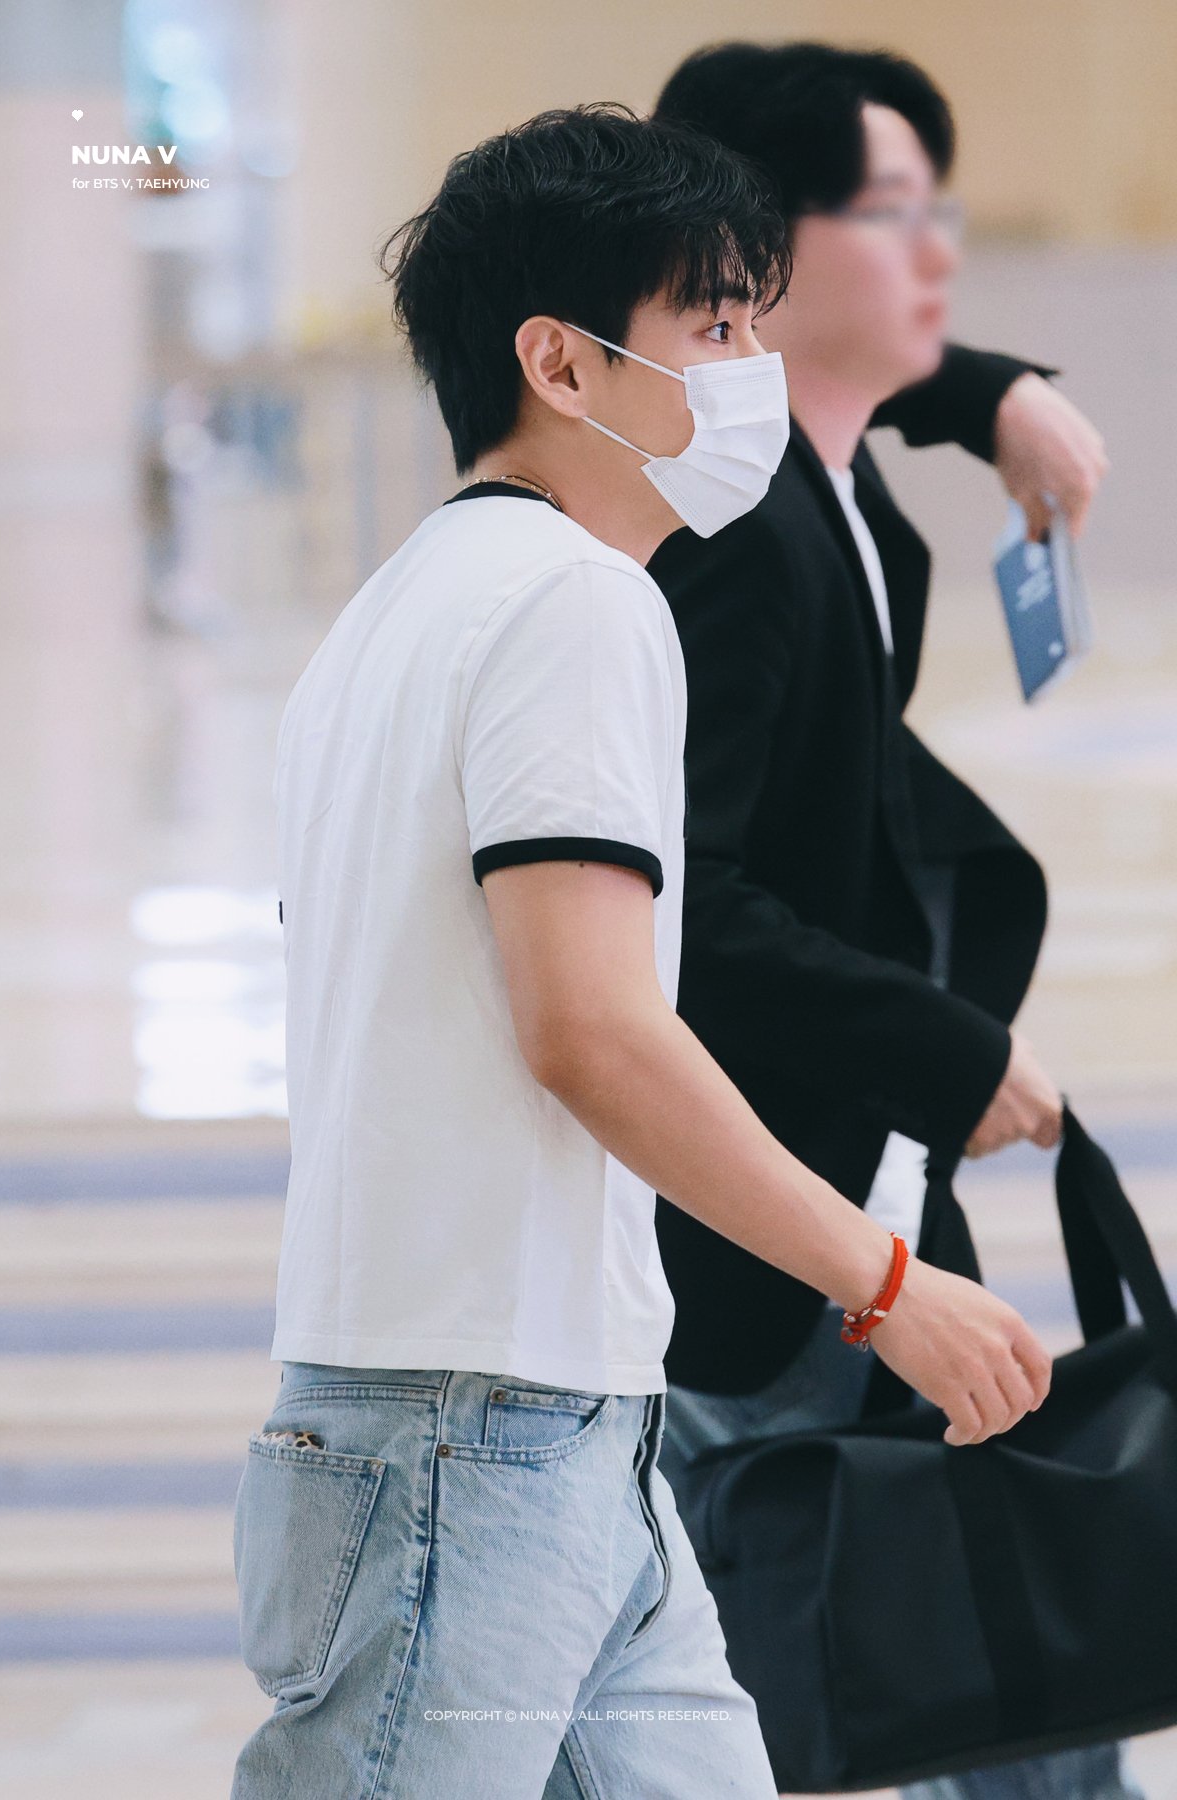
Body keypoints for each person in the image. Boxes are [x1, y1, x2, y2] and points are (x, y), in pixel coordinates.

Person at [230, 103, 1052, 1800]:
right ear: (560, 361)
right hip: (471, 1430)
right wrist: (884, 1282)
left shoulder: (392, 617)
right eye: (715, 328)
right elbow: (591, 1031)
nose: (752, 372)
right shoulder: (574, 603)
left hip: (548, 1420)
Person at [647, 42, 1133, 1800]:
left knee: (1011, 1689)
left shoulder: (830, 494)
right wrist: (946, 1048)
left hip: (864, 1196)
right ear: (755, 247)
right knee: (846, 1706)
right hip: (767, 1243)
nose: (942, 253)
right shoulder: (728, 525)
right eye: (897, 212)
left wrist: (982, 389)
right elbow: (681, 909)